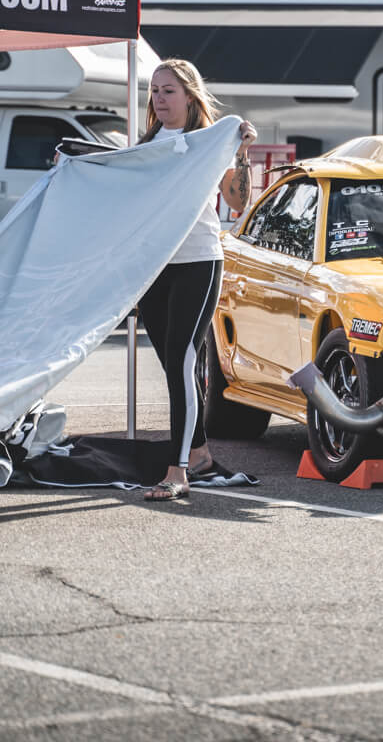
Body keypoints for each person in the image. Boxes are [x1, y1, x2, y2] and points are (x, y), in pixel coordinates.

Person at [139, 58, 257, 501]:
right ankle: (201, 450)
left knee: (182, 361)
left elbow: (238, 203)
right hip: (154, 266)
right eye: (154, 91)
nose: (159, 99)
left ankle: (178, 469)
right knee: (175, 366)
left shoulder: (213, 142)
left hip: (199, 261)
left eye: (168, 90)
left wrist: (242, 152)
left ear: (190, 95)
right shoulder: (147, 143)